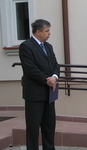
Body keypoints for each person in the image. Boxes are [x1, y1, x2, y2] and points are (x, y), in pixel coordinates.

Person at [19, 19, 60, 150]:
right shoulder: (26, 46)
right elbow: (31, 69)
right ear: (38, 32)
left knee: (49, 126)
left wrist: (54, 77)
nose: (49, 34)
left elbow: (55, 64)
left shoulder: (48, 46)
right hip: (34, 94)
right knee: (33, 127)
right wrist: (46, 80)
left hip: (49, 93)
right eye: (47, 31)